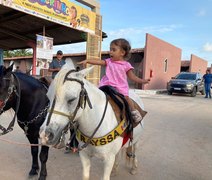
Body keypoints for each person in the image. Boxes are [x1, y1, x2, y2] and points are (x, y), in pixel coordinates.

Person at [78, 38, 150, 123]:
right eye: (110, 49)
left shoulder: (126, 65)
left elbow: (133, 77)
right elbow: (98, 62)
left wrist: (143, 81)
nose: (110, 52)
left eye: (113, 50)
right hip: (107, 85)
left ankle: (134, 112)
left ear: (122, 53)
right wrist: (88, 60)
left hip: (120, 87)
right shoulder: (109, 62)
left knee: (126, 98)